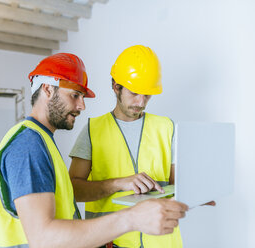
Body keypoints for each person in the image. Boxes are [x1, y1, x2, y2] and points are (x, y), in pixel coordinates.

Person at [0, 52, 188, 248]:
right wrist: (132, 218)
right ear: (47, 89)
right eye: (75, 95)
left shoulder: (41, 140)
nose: (82, 106)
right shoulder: (28, 145)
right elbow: (43, 237)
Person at [69, 45, 182, 248]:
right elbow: (73, 190)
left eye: (147, 95)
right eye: (135, 93)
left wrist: (197, 194)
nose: (141, 102)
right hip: (110, 242)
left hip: (161, 242)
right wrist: (119, 183)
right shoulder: (93, 130)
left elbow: (177, 187)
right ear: (116, 86)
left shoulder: (167, 127)